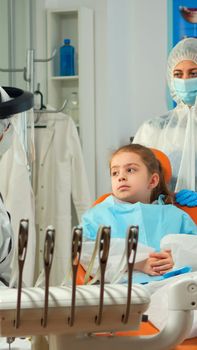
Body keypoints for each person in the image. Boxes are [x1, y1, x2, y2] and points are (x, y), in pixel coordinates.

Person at [80, 144, 197, 280]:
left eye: (130, 170)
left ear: (152, 180)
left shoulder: (175, 215)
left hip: (172, 286)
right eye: (115, 172)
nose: (121, 177)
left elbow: (193, 248)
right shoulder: (98, 215)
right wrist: (137, 263)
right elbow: (86, 251)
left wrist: (177, 258)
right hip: (125, 291)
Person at [133, 37, 197, 207]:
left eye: (193, 73)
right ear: (170, 78)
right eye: (178, 74)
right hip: (167, 220)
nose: (185, 80)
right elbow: (135, 181)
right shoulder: (153, 129)